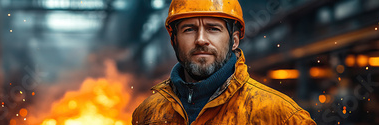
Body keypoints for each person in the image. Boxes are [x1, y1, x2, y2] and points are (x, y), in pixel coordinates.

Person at [132, 0, 316, 124]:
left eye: (213, 28)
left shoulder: (281, 116)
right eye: (189, 29)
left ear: (234, 41)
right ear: (174, 41)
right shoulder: (148, 114)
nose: (201, 39)